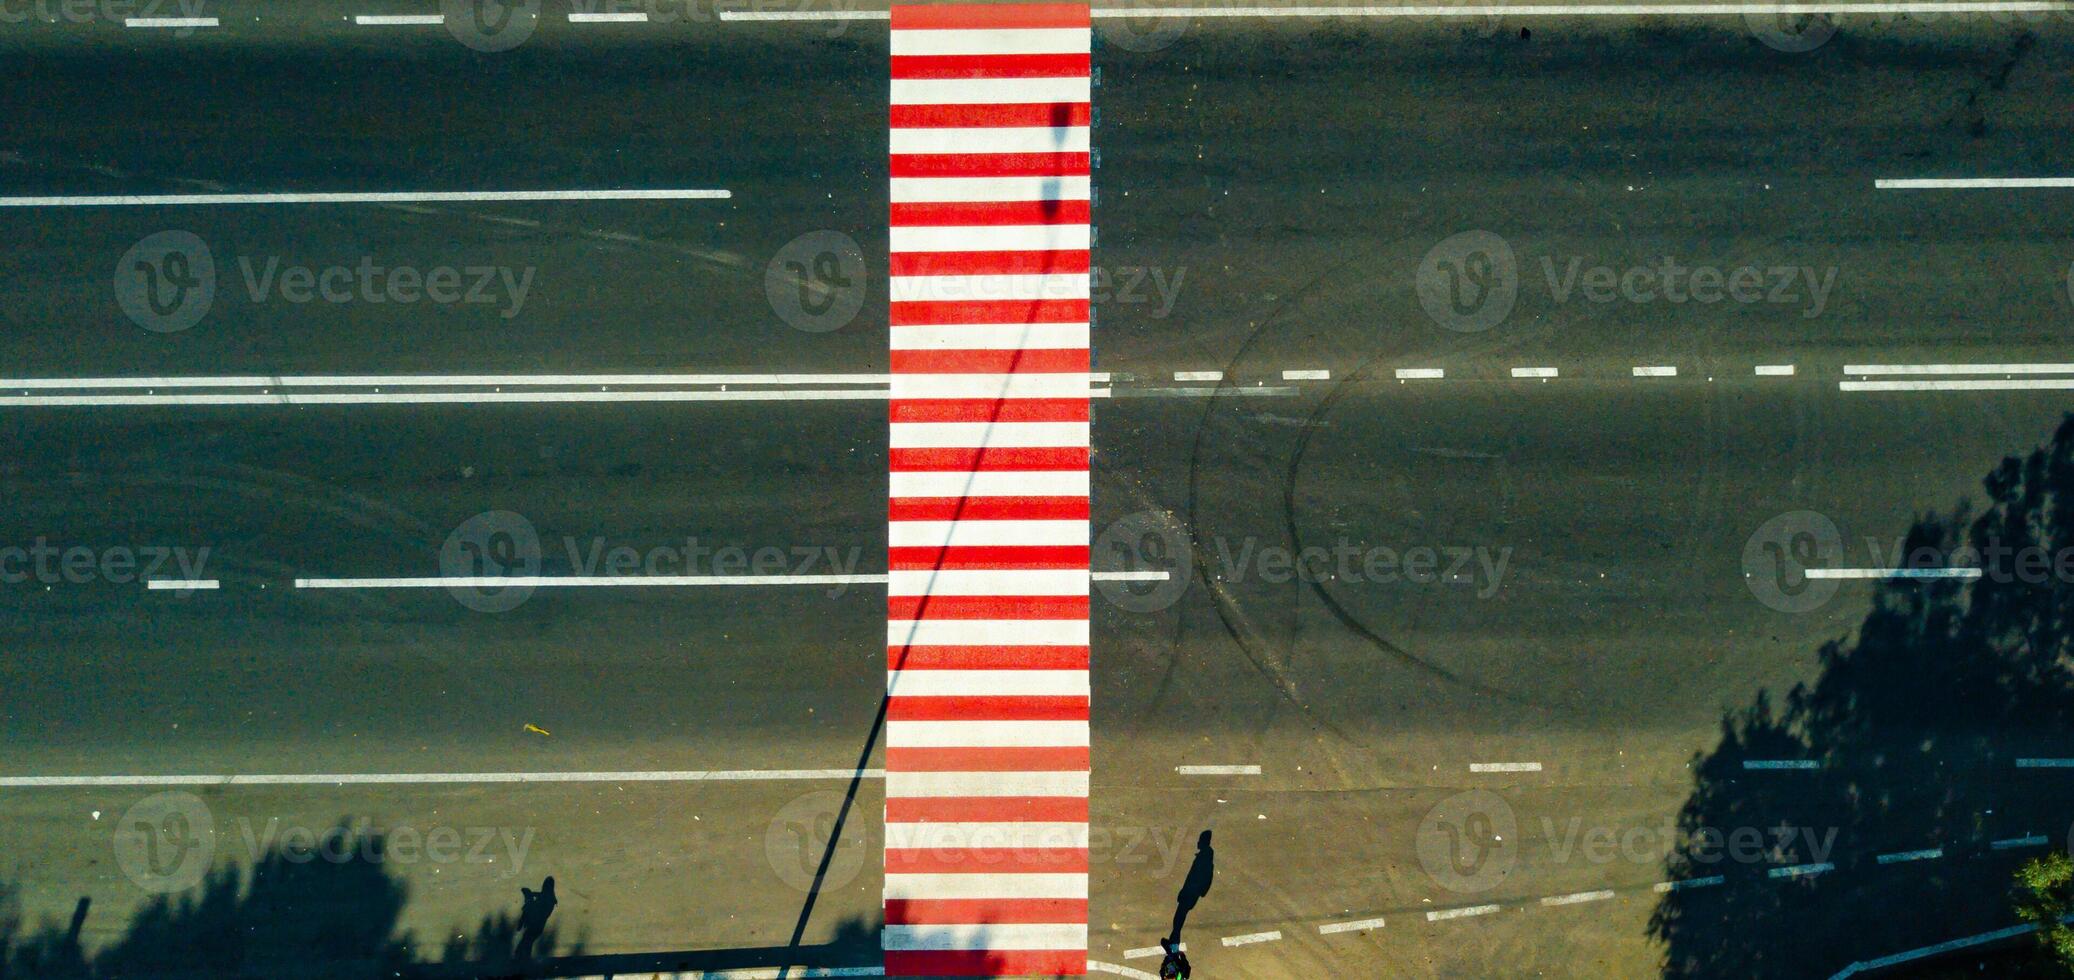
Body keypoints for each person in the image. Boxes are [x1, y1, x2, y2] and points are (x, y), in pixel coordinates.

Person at [515, 875, 557, 959]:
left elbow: (534, 906)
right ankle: (525, 961)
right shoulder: (549, 898)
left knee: (524, 945)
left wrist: (530, 896)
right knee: (526, 944)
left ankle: (524, 962)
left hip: (535, 926)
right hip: (537, 926)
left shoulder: (546, 899)